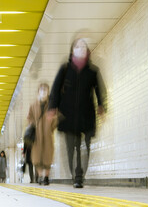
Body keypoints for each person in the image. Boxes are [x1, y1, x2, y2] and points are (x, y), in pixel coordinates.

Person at [48, 38, 104, 188]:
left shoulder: (93, 71)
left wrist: (101, 105)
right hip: (68, 116)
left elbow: (99, 89)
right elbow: (55, 89)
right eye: (78, 46)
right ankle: (75, 175)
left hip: (86, 116)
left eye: (83, 46)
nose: (81, 48)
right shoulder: (65, 69)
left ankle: (80, 176)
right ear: (72, 50)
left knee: (84, 147)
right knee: (72, 147)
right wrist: (52, 107)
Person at [28, 83, 57, 185]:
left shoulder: (52, 104)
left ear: (48, 91)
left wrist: (50, 128)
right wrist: (33, 124)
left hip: (47, 134)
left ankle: (46, 177)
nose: (43, 91)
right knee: (37, 156)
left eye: (45, 89)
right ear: (38, 91)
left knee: (47, 155)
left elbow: (56, 118)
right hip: (36, 135)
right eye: (41, 89)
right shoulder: (33, 105)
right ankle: (40, 176)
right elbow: (29, 117)